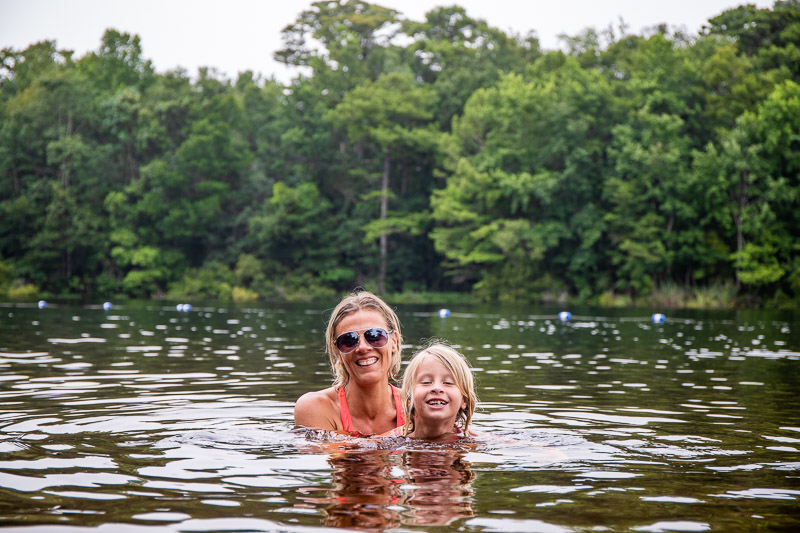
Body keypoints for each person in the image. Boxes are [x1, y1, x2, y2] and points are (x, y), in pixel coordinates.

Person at [294, 290, 405, 435]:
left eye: (375, 336)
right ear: (337, 352)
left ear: (394, 342)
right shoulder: (315, 407)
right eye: (349, 340)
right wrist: (406, 432)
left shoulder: (416, 406)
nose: (363, 347)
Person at [384, 343, 480, 442]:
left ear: (464, 400)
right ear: (409, 399)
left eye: (448, 382)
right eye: (426, 382)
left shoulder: (477, 442)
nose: (437, 388)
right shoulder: (387, 441)